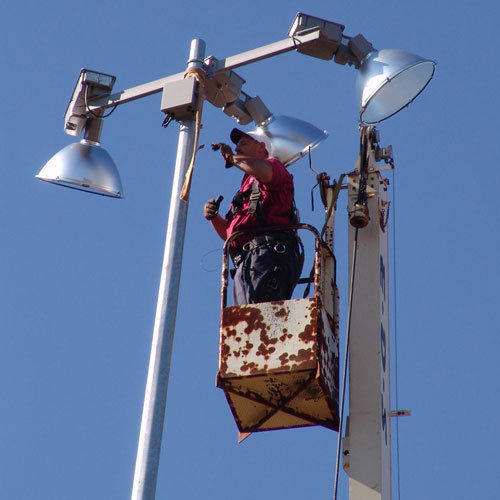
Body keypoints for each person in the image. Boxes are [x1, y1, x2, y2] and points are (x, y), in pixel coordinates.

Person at [204, 128, 303, 305]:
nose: (237, 148)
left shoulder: (274, 166)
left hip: (267, 257)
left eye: (244, 143)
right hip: (249, 261)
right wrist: (214, 217)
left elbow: (265, 171)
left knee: (256, 317)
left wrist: (232, 159)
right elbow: (232, 235)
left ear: (261, 147)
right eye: (236, 145)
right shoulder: (246, 187)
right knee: (246, 317)